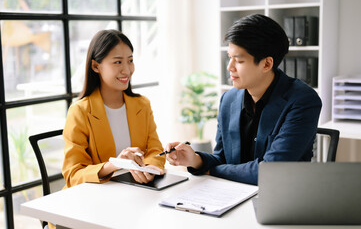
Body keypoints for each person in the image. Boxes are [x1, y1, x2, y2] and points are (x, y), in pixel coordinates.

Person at [165, 14, 322, 185]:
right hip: (234, 196)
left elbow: (270, 171)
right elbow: (222, 158)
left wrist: (212, 170)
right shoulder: (229, 99)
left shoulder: (303, 100)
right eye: (229, 57)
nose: (229, 67)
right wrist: (196, 160)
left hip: (282, 199)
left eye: (238, 60)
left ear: (266, 64)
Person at [62, 29, 165, 188]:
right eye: (118, 62)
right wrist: (115, 164)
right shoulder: (80, 111)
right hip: (94, 198)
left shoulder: (142, 105)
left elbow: (155, 150)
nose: (127, 70)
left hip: (136, 191)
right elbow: (73, 174)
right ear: (96, 66)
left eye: (130, 61)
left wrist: (150, 168)